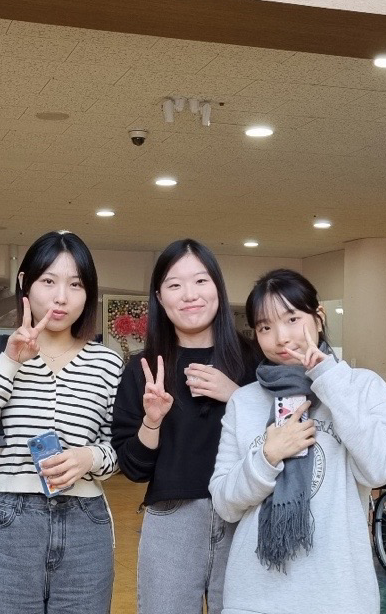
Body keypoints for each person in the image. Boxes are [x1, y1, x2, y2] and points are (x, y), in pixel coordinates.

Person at [0, 230, 123, 614]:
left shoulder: (107, 363)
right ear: (24, 283)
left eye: (75, 285)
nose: (61, 297)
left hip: (86, 525)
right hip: (8, 522)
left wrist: (90, 457)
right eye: (48, 281)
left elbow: (118, 447)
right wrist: (10, 362)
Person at [209, 269, 386, 614]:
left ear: (319, 317)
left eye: (292, 319)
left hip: (338, 597)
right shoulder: (245, 401)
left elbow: (380, 470)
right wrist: (266, 457)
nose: (281, 338)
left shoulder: (361, 386)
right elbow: (224, 503)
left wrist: (328, 380)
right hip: (253, 597)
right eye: (265, 327)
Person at [111, 239, 258, 614]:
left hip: (246, 516)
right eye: (175, 285)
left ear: (218, 288)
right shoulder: (144, 369)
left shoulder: (253, 360)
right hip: (172, 519)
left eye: (201, 281)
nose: (190, 295)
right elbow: (134, 468)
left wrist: (236, 395)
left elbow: (281, 437)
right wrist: (152, 420)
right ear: (160, 298)